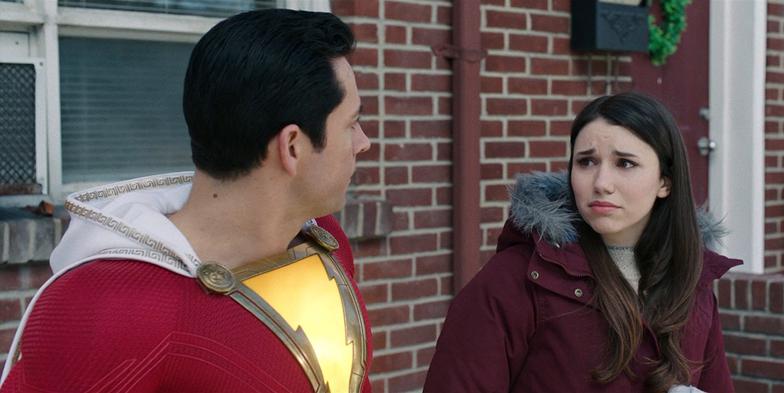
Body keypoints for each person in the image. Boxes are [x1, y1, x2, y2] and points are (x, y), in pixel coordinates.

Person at [0, 9, 373, 393]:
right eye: (351, 124)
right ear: (292, 146)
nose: (364, 142)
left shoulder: (322, 238)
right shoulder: (103, 306)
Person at [424, 92, 740, 393]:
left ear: (665, 182)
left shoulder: (692, 283)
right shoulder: (514, 280)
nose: (601, 183)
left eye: (625, 163)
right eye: (586, 162)